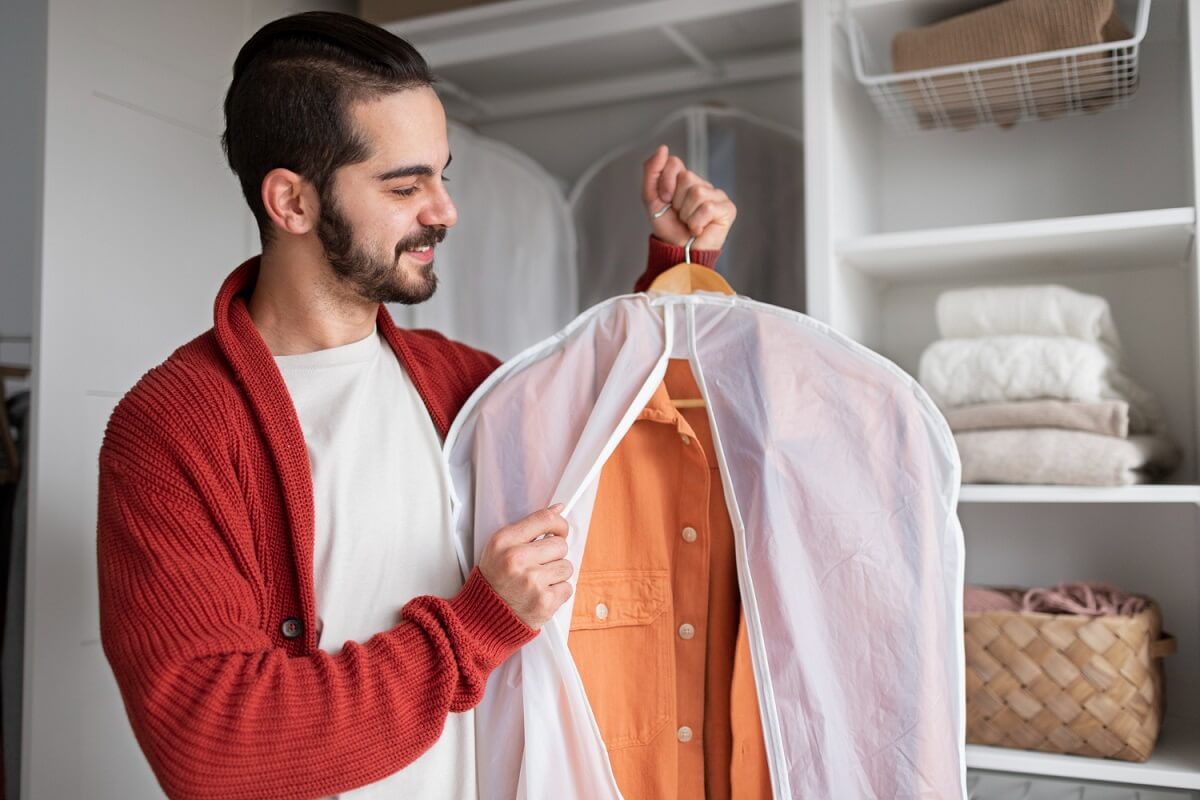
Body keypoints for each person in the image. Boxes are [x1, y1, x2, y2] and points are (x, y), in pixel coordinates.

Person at [96, 10, 736, 800]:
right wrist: (474, 627)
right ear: (291, 203)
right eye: (405, 185)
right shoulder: (172, 429)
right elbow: (214, 749)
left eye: (443, 174)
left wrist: (676, 269)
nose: (444, 210)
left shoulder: (466, 384)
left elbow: (618, 445)